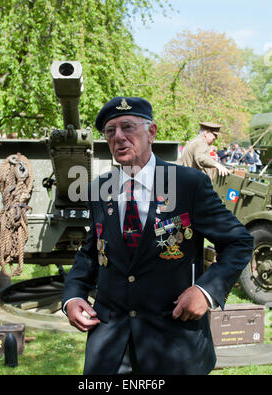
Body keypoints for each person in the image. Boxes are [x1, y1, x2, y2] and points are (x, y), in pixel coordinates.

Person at [62, 97, 253, 375]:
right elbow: (92, 252)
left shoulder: (188, 184)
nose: (118, 137)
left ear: (151, 132)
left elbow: (238, 241)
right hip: (111, 348)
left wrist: (206, 290)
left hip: (172, 344)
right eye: (110, 131)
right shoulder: (99, 189)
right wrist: (73, 296)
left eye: (128, 127)